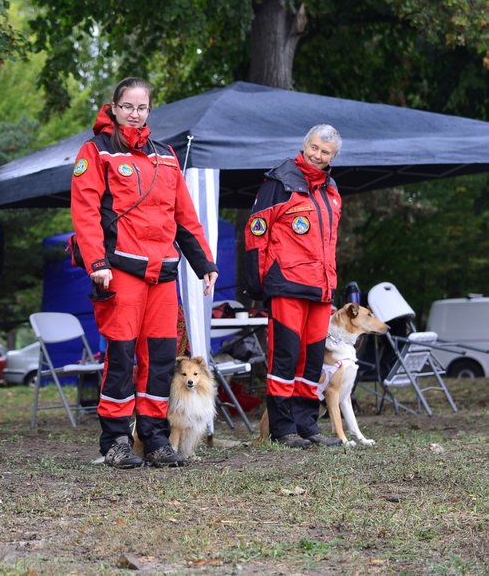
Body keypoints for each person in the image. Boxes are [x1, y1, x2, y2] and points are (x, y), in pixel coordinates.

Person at [70, 77, 219, 469]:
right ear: (114, 108)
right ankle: (115, 440)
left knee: (159, 359)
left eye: (142, 107)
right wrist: (97, 264)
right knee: (120, 359)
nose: (135, 114)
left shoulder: (166, 156)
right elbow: (85, 214)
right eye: (128, 106)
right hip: (120, 272)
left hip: (164, 275)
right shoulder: (96, 152)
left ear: (149, 111)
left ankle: (153, 437)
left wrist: (204, 264)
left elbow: (185, 218)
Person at [245, 124, 344, 448]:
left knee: (312, 360)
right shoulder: (280, 182)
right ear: (305, 146)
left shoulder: (331, 190)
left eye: (325, 152)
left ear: (333, 156)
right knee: (284, 357)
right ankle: (283, 428)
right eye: (314, 148)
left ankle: (307, 426)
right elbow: (256, 231)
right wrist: (257, 283)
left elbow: (329, 243)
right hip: (286, 283)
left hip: (321, 289)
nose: (317, 155)